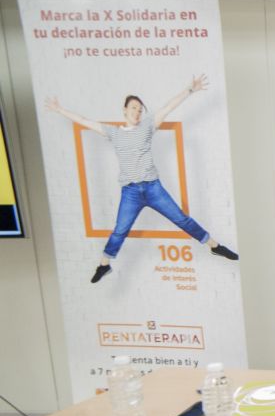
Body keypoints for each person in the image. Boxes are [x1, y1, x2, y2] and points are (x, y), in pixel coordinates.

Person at [45, 75, 238, 284]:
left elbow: (168, 107)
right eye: (133, 108)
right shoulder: (113, 132)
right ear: (124, 110)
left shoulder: (147, 126)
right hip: (130, 193)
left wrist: (190, 89)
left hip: (153, 188)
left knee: (181, 219)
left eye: (140, 109)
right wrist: (60, 110)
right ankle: (104, 265)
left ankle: (214, 246)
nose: (137, 112)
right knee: (120, 230)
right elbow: (85, 121)